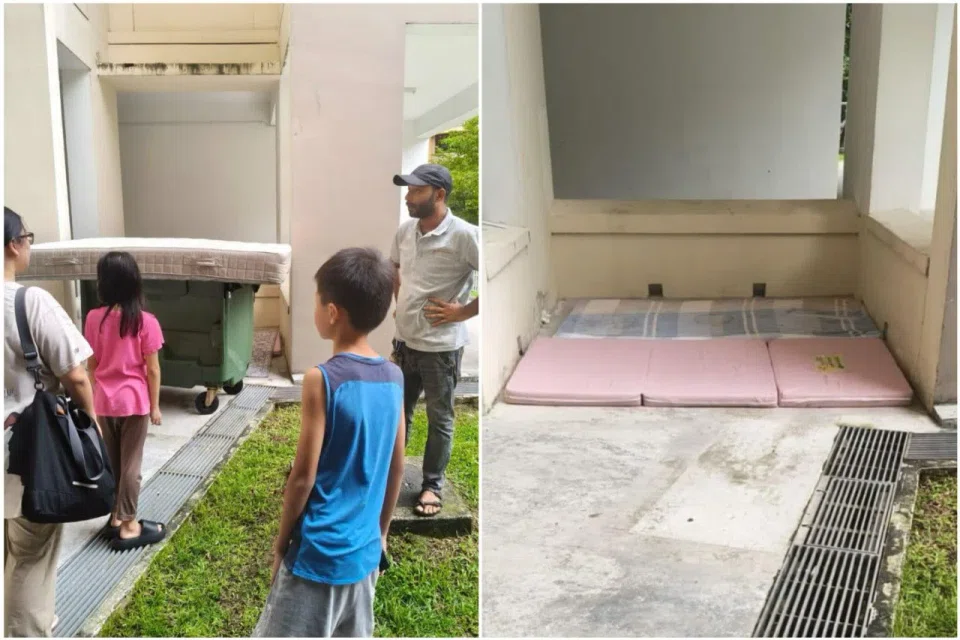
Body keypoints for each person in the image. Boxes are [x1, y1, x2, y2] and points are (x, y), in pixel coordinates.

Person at [254, 247, 406, 638]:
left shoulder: (321, 379)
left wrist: (281, 543)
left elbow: (303, 477)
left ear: (333, 312)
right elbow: (396, 467)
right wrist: (382, 534)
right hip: (364, 555)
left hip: (316, 556)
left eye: (317, 301)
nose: (315, 310)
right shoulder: (394, 377)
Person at [3, 207, 96, 637]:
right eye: (27, 236)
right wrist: (90, 428)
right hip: (24, 456)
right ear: (12, 245)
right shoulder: (28, 301)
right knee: (30, 554)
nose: (29, 243)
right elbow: (75, 373)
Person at [390, 164, 479, 517]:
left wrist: (463, 312)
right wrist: (401, 307)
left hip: (440, 348)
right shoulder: (404, 232)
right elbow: (394, 268)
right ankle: (393, 475)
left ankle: (431, 485)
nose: (408, 197)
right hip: (404, 342)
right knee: (400, 413)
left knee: (439, 417)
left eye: (415, 191)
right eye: (408, 190)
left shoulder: (463, 235)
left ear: (439, 195)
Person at [84, 251, 166, 551]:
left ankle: (115, 517)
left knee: (114, 464)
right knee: (132, 465)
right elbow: (153, 369)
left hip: (104, 401)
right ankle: (130, 525)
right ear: (135, 282)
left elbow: (91, 365)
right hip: (133, 401)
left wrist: (91, 402)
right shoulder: (145, 321)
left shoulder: (93, 319)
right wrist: (155, 406)